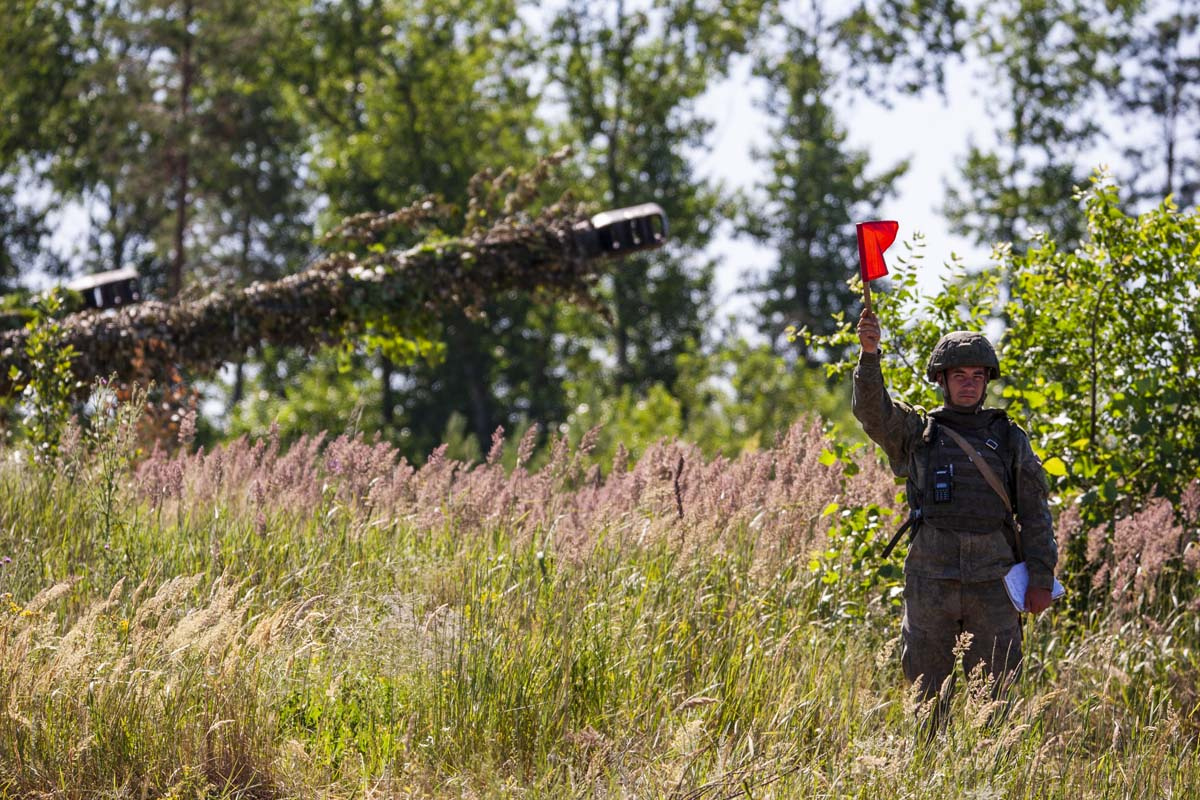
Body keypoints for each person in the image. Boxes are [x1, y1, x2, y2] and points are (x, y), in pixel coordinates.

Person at [852, 308, 1057, 729]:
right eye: (959, 374)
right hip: (931, 580)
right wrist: (869, 354)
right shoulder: (917, 432)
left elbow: (1035, 511)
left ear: (987, 381)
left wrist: (1040, 576)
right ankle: (929, 778)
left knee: (997, 703)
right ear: (942, 380)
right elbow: (873, 414)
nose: (969, 383)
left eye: (977, 375)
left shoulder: (1008, 437)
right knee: (926, 700)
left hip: (993, 584)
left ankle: (993, 782)